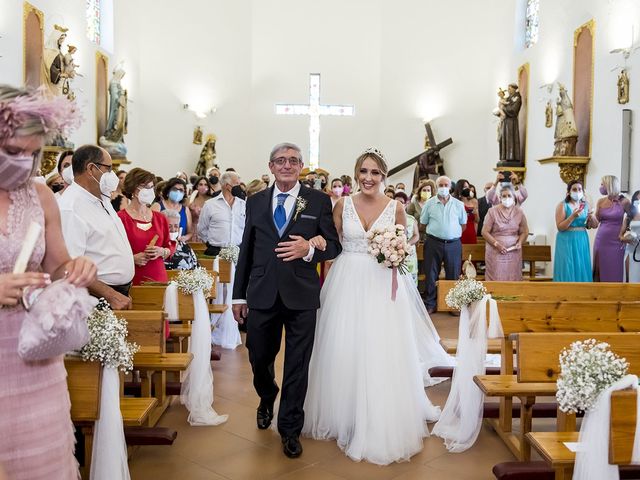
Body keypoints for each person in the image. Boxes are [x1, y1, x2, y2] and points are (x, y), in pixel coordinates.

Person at [303, 147, 451, 465]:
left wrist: (395, 254)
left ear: (384, 177)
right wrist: (315, 243)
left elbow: (403, 245)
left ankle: (381, 409)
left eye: (375, 173)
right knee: (345, 345)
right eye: (364, 172)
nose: (368, 178)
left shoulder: (396, 208)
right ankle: (344, 411)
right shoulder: (343, 204)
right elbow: (332, 244)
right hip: (347, 280)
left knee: (381, 346)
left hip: (383, 284)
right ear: (356, 174)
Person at [0, 84, 97, 479]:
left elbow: (57, 264)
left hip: (33, 355)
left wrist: (79, 268)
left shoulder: (39, 195)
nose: (24, 162)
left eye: (33, 153)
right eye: (14, 152)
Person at [231, 142, 341, 459]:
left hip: (302, 294)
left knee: (298, 364)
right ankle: (267, 396)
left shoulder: (318, 201)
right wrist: (239, 295)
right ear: (271, 166)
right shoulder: (255, 202)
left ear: (301, 166)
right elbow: (246, 250)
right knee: (258, 355)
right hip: (262, 292)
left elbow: (333, 246)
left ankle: (290, 428)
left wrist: (308, 249)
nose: (287, 165)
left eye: (293, 161)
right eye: (281, 160)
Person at [58, 145, 135, 309]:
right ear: (91, 169)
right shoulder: (71, 207)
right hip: (96, 298)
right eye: (109, 169)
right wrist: (110, 294)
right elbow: (69, 265)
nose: (112, 175)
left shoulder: (102, 199)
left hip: (118, 295)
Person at [119, 168, 175, 285]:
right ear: (134, 189)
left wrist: (162, 252)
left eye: (151, 187)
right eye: (145, 187)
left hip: (158, 276)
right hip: (133, 277)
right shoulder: (121, 218)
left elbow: (170, 246)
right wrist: (132, 259)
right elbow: (113, 252)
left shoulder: (160, 218)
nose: (150, 191)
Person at [420, 176, 467, 313]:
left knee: (453, 273)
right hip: (433, 242)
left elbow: (463, 225)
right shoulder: (429, 203)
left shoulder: (458, 204)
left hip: (453, 244)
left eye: (446, 185)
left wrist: (451, 233)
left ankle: (452, 304)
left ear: (450, 187)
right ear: (436, 186)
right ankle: (430, 303)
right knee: (431, 273)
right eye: (440, 185)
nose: (443, 187)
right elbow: (423, 224)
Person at [481, 184, 529, 280]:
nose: (507, 198)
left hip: (513, 251)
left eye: (509, 196)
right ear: (500, 197)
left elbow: (525, 231)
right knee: (496, 276)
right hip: (495, 250)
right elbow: (485, 232)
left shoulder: (519, 212)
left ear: (514, 197)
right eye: (504, 196)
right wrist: (496, 244)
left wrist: (520, 242)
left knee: (513, 277)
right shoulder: (492, 211)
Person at [553, 180, 598, 282]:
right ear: (568, 192)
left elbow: (594, 225)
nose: (577, 191)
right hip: (566, 239)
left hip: (581, 238)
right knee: (568, 266)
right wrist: (572, 217)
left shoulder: (586, 205)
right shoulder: (562, 205)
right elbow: (560, 227)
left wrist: (592, 217)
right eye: (574, 189)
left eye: (579, 189)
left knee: (581, 264)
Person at [197, 171, 246, 257]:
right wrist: (212, 243)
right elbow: (202, 229)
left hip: (239, 251)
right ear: (227, 186)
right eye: (237, 184)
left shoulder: (244, 204)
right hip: (216, 251)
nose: (239, 187)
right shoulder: (210, 205)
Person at [593, 175, 629, 281]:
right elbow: (596, 223)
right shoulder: (600, 201)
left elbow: (632, 216)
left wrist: (625, 232)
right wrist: (591, 218)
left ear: (609, 185)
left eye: (602, 184)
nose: (600, 187)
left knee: (615, 268)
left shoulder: (624, 201)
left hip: (617, 240)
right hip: (601, 240)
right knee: (600, 269)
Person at [152, 177, 193, 242]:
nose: (178, 192)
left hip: (179, 244)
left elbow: (190, 232)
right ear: (168, 191)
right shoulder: (157, 206)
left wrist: (185, 238)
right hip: (160, 245)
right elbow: (151, 229)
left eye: (181, 190)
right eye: (175, 189)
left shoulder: (185, 210)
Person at [394, 191, 419, 285]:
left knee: (410, 281)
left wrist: (406, 245)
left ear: (406, 204)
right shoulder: (389, 218)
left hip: (409, 252)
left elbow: (416, 235)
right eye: (396, 202)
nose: (398, 204)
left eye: (401, 202)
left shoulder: (411, 219)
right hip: (394, 253)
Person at [620, 190, 640, 282]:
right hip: (632, 250)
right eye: (637, 199)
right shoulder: (629, 216)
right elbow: (620, 236)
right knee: (631, 278)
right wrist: (626, 238)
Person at [187, 176, 213, 242]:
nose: (203, 187)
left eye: (205, 185)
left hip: (208, 231)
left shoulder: (212, 200)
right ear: (196, 186)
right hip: (192, 231)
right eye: (200, 184)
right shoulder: (190, 200)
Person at [454, 178, 478, 244]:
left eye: (468, 187)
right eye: (465, 187)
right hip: (459, 232)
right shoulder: (455, 202)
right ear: (459, 188)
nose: (467, 189)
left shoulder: (474, 201)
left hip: (471, 231)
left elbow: (477, 220)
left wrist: (475, 213)